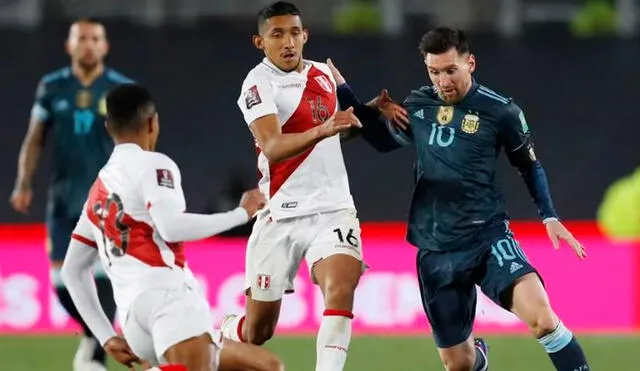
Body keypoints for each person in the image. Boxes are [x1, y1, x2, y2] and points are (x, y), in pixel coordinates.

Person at [328, 27, 591, 371]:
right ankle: (479, 358)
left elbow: (529, 166)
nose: (443, 81)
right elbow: (380, 141)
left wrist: (549, 216)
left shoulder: (501, 112)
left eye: (451, 70)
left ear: (470, 63)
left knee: (543, 319)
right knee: (459, 364)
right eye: (434, 72)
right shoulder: (419, 104)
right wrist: (346, 93)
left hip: (487, 237)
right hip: (435, 249)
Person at [60, 83, 284, 371]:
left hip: (133, 321)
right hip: (167, 301)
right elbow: (171, 227)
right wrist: (240, 214)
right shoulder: (153, 165)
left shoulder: (98, 190)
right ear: (153, 122)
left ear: (108, 127)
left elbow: (71, 269)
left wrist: (106, 337)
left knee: (268, 367)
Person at [220, 2, 365, 371]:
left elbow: (334, 135)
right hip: (281, 215)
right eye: (277, 34)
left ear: (305, 36)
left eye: (294, 33)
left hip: (333, 208)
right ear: (260, 41)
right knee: (258, 331)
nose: (288, 42)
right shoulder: (257, 83)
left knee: (341, 289)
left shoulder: (323, 75)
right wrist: (324, 128)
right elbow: (272, 146)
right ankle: (220, 331)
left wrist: (365, 118)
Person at [9, 18, 132, 371]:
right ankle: (94, 335)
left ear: (105, 46)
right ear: (70, 45)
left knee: (106, 276)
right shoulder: (52, 87)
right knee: (62, 281)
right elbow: (35, 139)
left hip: (109, 200)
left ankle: (95, 351)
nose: (89, 45)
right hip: (63, 200)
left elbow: (140, 138)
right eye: (82, 39)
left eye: (95, 39)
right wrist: (23, 182)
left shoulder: (122, 89)